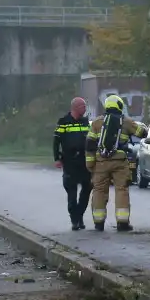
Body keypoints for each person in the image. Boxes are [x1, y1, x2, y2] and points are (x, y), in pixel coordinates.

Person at [85, 95, 147, 231]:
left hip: (101, 162)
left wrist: (90, 164)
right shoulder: (126, 121)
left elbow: (89, 145)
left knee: (99, 191)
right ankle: (122, 222)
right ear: (119, 106)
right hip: (120, 162)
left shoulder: (97, 123)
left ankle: (98, 222)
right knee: (121, 190)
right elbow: (143, 133)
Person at [53, 97, 92, 230]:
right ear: (75, 107)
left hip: (84, 161)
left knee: (87, 188)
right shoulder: (64, 122)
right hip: (70, 161)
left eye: (85, 106)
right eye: (83, 106)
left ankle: (79, 215)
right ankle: (74, 219)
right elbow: (56, 141)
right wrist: (56, 158)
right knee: (72, 191)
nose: (85, 108)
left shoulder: (86, 122)